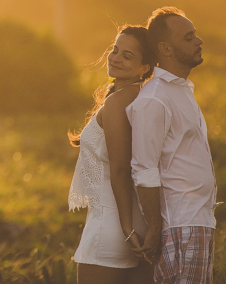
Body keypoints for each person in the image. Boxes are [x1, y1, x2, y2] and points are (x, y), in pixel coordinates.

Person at [128, 7, 216, 284]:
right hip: (181, 225)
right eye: (188, 37)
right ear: (165, 48)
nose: (198, 41)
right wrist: (155, 226)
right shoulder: (154, 99)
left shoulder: (179, 90)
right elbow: (143, 169)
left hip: (197, 221)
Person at [68, 25, 156, 284]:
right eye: (115, 50)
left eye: (127, 56)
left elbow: (121, 169)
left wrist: (127, 230)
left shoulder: (117, 103)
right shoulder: (144, 99)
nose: (116, 58)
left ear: (145, 67)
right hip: (139, 225)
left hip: (113, 227)